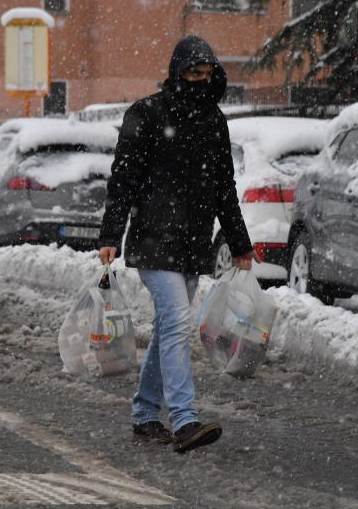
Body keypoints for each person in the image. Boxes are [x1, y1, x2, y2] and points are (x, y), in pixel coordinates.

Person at [98, 35, 258, 454]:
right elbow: (123, 181)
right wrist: (110, 236)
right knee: (176, 320)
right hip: (153, 238)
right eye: (193, 73)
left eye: (207, 74)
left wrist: (239, 242)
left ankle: (146, 413)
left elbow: (225, 187)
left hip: (192, 241)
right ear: (177, 71)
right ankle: (184, 419)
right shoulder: (146, 114)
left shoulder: (213, 121)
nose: (201, 81)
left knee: (171, 325)